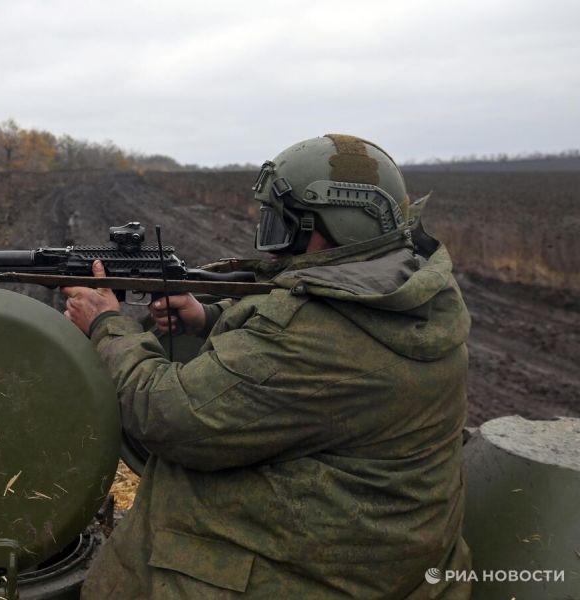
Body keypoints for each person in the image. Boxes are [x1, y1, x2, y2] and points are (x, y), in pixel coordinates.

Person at [61, 134, 472, 599]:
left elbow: (170, 415)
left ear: (339, 225)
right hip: (376, 552)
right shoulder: (406, 291)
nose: (274, 248)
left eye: (285, 227)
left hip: (312, 577)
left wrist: (106, 325)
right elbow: (292, 360)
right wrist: (208, 317)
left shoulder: (316, 335)